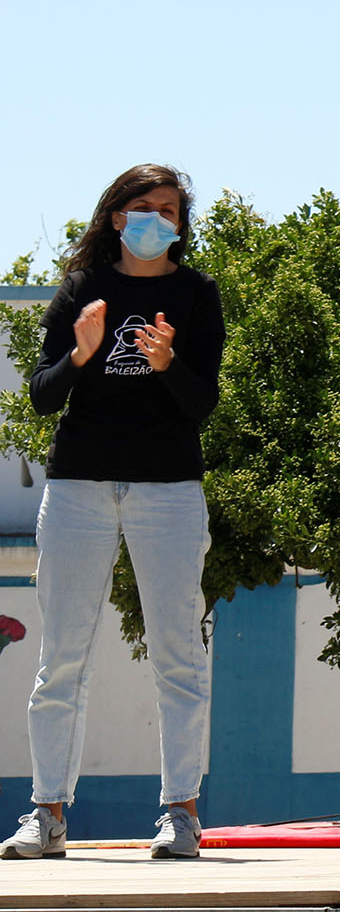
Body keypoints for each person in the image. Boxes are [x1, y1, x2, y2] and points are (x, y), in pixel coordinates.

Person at [4, 165, 224, 861]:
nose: (157, 218)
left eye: (169, 209)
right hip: (80, 487)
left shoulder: (196, 293)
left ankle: (181, 813)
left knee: (178, 654)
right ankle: (47, 813)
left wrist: (167, 363)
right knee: (61, 658)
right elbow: (42, 394)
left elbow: (203, 402)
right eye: (143, 206)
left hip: (169, 489)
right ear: (118, 217)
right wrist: (81, 353)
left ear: (180, 225)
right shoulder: (83, 288)